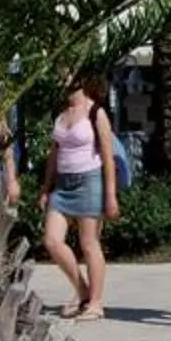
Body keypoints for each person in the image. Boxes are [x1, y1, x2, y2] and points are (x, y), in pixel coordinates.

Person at [41, 73, 121, 320]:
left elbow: (107, 157)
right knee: (52, 241)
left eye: (64, 75)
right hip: (63, 185)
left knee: (89, 244)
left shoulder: (95, 112)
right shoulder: (61, 114)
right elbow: (54, 154)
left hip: (89, 181)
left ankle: (95, 303)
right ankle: (82, 289)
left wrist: (110, 196)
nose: (59, 79)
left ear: (78, 79)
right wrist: (46, 186)